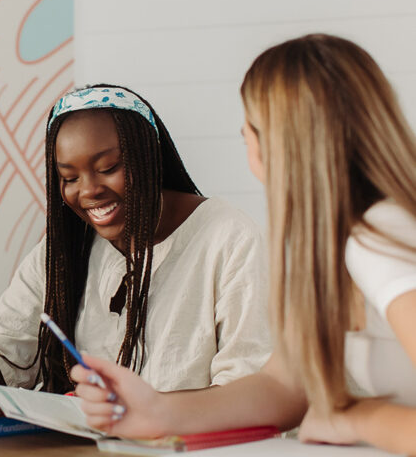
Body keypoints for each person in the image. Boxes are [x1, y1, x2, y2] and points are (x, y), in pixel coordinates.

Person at [72, 34, 416, 454]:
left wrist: (357, 417)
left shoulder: (381, 241)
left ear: (279, 144)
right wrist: (156, 409)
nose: (244, 137)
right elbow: (283, 387)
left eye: (249, 129)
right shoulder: (327, 249)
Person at [0, 84, 271, 394]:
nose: (88, 191)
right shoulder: (63, 252)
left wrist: (136, 412)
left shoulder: (228, 237)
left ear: (149, 158)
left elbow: (248, 391)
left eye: (108, 168)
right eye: (69, 177)